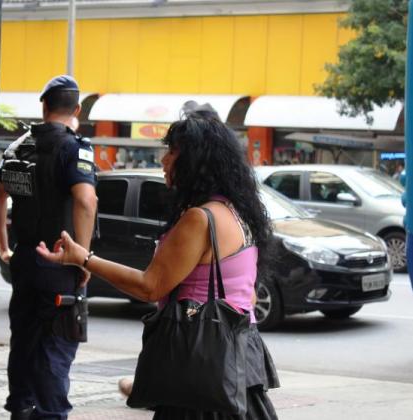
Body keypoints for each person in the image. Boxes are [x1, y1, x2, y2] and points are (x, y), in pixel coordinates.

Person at [37, 114, 280, 420]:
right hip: (237, 367)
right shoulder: (238, 214)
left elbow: (149, 285)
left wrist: (84, 259)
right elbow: (249, 297)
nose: (164, 160)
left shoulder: (200, 219)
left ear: (196, 161)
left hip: (201, 372)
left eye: (173, 152)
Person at [0, 75, 98, 419]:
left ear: (44, 106)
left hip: (24, 258)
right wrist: (82, 257)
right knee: (55, 345)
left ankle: (21, 409)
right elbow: (85, 200)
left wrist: (3, 245)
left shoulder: (19, 146)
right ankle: (50, 414)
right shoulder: (75, 147)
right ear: (77, 109)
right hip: (58, 261)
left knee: (23, 339)